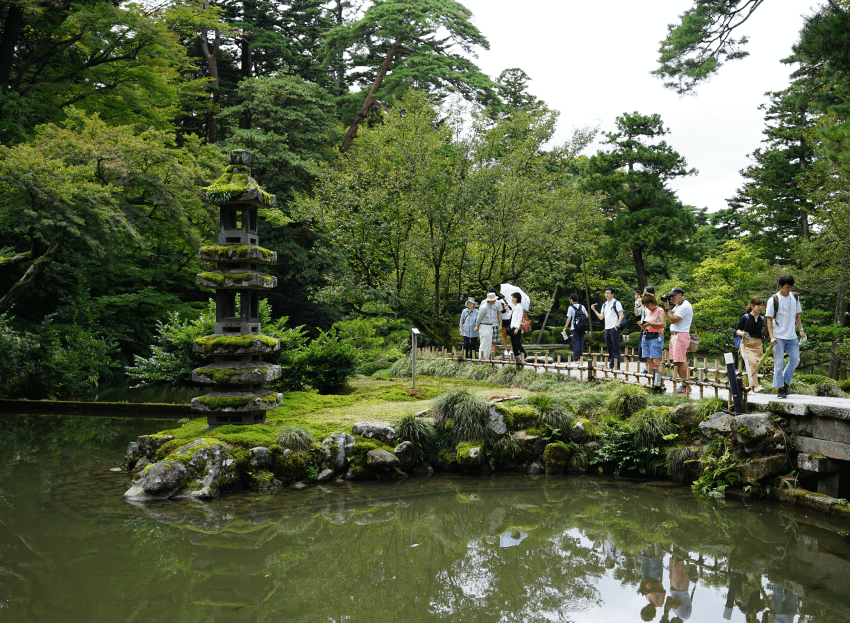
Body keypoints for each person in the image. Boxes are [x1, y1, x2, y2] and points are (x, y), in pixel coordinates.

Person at [765, 275, 805, 399]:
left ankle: (785, 382)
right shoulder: (774, 299)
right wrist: (771, 337)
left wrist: (801, 330)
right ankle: (779, 388)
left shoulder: (795, 297)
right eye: (787, 287)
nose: (789, 289)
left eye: (791, 287)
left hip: (792, 335)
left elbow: (797, 315)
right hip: (778, 336)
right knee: (779, 363)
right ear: (780, 286)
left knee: (795, 359)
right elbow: (769, 319)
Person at [663, 288, 693, 395]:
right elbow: (670, 315)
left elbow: (672, 319)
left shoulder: (685, 306)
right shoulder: (678, 305)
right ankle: (685, 383)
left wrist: (667, 308)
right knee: (677, 361)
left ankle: (686, 386)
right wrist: (668, 309)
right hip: (676, 335)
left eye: (673, 296)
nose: (671, 298)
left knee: (679, 362)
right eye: (670, 296)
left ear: (680, 295)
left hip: (680, 335)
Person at [736, 296, 766, 393]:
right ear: (752, 306)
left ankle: (750, 388)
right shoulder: (746, 317)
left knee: (756, 365)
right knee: (752, 363)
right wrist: (742, 333)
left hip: (758, 344)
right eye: (758, 305)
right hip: (746, 344)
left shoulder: (762, 319)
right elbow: (737, 330)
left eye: (762, 306)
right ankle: (756, 386)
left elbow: (766, 331)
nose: (760, 308)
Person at [591, 286, 625, 370]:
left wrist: (617, 325)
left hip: (614, 328)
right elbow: (601, 317)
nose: (606, 294)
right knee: (609, 347)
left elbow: (621, 315)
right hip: (607, 328)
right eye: (605, 293)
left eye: (608, 293)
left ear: (612, 294)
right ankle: (611, 364)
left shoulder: (616, 303)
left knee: (615, 347)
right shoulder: (604, 304)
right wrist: (594, 310)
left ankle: (617, 365)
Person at [638, 293, 666, 379]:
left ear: (653, 303)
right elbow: (648, 324)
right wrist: (643, 325)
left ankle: (659, 382)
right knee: (648, 360)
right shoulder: (648, 312)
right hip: (646, 336)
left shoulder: (660, 311)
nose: (648, 307)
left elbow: (663, 324)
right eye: (646, 306)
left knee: (656, 361)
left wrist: (650, 323)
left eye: (648, 305)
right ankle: (651, 380)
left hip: (656, 337)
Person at [474, 289, 503, 360]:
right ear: (491, 300)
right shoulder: (484, 307)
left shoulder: (490, 306)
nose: (495, 301)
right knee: (484, 343)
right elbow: (479, 317)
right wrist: (477, 325)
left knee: (489, 344)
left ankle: (486, 358)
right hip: (484, 325)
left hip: (490, 325)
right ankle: (482, 358)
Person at [635, 286, 656, 373]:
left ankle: (650, 369)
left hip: (650, 327)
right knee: (643, 348)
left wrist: (642, 304)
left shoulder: (652, 303)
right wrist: (636, 302)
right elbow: (636, 313)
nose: (643, 294)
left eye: (645, 292)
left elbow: (646, 313)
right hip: (643, 328)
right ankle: (647, 368)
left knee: (649, 348)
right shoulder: (644, 303)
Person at [564, 293, 588, 364]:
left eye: (569, 299)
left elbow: (569, 318)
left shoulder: (570, 308)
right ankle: (580, 358)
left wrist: (565, 327)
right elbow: (587, 315)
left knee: (575, 343)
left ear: (571, 300)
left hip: (574, 328)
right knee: (581, 342)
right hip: (582, 327)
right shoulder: (582, 306)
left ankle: (576, 358)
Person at [508, 291, 527, 367]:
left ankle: (524, 355)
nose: (512, 299)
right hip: (513, 327)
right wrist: (507, 309)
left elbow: (519, 318)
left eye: (513, 297)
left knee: (517, 343)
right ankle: (517, 357)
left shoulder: (519, 307)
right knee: (513, 343)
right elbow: (511, 317)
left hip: (516, 328)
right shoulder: (514, 307)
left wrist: (517, 328)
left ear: (517, 298)